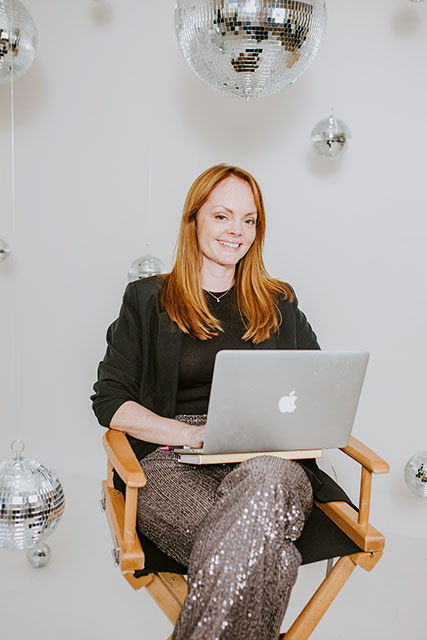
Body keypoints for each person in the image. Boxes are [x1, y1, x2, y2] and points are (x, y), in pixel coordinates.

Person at [91, 164, 350, 640]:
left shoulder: (279, 301)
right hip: (171, 461)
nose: (237, 231)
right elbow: (112, 402)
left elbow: (318, 385)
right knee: (266, 553)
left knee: (265, 489)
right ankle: (275, 556)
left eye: (249, 220)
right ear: (194, 221)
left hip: (268, 460)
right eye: (223, 216)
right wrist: (191, 433)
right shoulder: (147, 299)